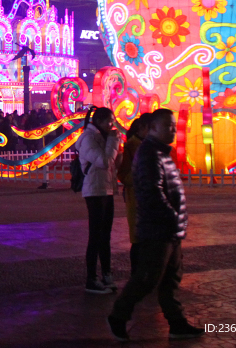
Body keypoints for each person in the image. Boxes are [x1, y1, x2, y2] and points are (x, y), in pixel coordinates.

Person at [107, 109, 203, 341]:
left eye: (174, 126)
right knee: (148, 278)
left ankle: (176, 322)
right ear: (153, 128)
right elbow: (152, 192)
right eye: (168, 126)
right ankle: (119, 315)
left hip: (168, 227)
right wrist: (172, 216)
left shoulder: (160, 152)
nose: (173, 130)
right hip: (157, 227)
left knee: (171, 278)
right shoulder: (149, 153)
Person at [76, 107, 121, 293]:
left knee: (105, 235)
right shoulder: (89, 138)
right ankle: (91, 278)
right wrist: (113, 141)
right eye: (110, 121)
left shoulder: (102, 137)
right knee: (95, 235)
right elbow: (104, 161)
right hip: (94, 191)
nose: (112, 125)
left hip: (106, 189)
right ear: (100, 121)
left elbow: (111, 163)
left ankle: (106, 274)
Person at [117, 115, 147, 273]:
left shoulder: (153, 146)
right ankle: (137, 274)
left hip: (151, 200)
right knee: (138, 239)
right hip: (137, 198)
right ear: (142, 128)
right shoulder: (130, 146)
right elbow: (123, 175)